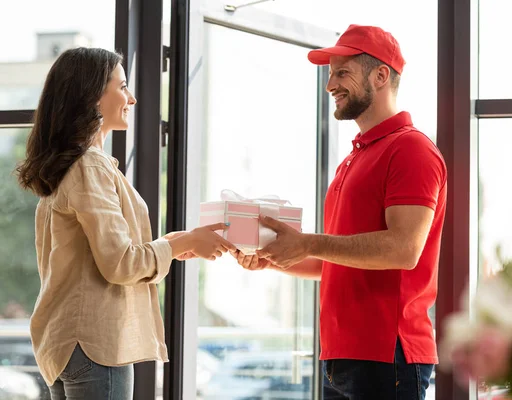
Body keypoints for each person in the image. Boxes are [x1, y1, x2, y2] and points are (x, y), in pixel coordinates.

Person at [233, 25, 447, 400]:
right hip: (340, 356)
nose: (330, 84)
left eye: (342, 72)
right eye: (331, 73)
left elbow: (403, 249)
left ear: (381, 76)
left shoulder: (411, 150)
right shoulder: (354, 159)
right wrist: (273, 258)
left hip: (388, 356)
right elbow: (335, 261)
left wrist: (308, 242)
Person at [16, 47, 235, 400]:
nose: (131, 98)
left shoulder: (70, 165)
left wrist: (181, 242)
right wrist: (178, 245)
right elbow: (120, 263)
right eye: (122, 87)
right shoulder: (90, 166)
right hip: (94, 344)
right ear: (92, 97)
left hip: (67, 344)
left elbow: (96, 255)